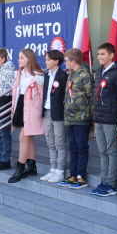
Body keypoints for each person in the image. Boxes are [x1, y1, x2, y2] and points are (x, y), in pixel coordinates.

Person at [91, 43, 117, 196]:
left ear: (112, 55)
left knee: (112, 152)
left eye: (103, 54)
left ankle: (111, 184)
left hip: (111, 120)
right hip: (99, 118)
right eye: (98, 54)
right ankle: (103, 181)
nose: (99, 57)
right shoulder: (99, 71)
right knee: (102, 151)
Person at [58, 48, 94, 189]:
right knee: (72, 147)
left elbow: (91, 97)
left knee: (81, 147)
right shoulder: (71, 74)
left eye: (66, 60)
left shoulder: (84, 75)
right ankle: (72, 174)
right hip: (70, 117)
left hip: (81, 117)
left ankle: (81, 176)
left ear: (73, 61)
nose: (64, 63)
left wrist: (90, 117)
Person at [8, 48, 44, 183]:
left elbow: (41, 98)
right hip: (21, 105)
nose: (19, 60)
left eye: (22, 57)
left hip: (32, 109)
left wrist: (40, 115)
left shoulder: (38, 76)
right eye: (19, 57)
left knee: (23, 137)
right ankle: (32, 165)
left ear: (29, 58)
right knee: (28, 139)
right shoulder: (20, 73)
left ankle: (20, 168)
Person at [41, 50, 68, 183]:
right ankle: (52, 169)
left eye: (48, 60)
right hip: (47, 111)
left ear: (56, 61)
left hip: (58, 113)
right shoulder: (46, 76)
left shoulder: (63, 76)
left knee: (59, 142)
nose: (45, 62)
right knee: (50, 141)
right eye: (45, 59)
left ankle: (60, 170)